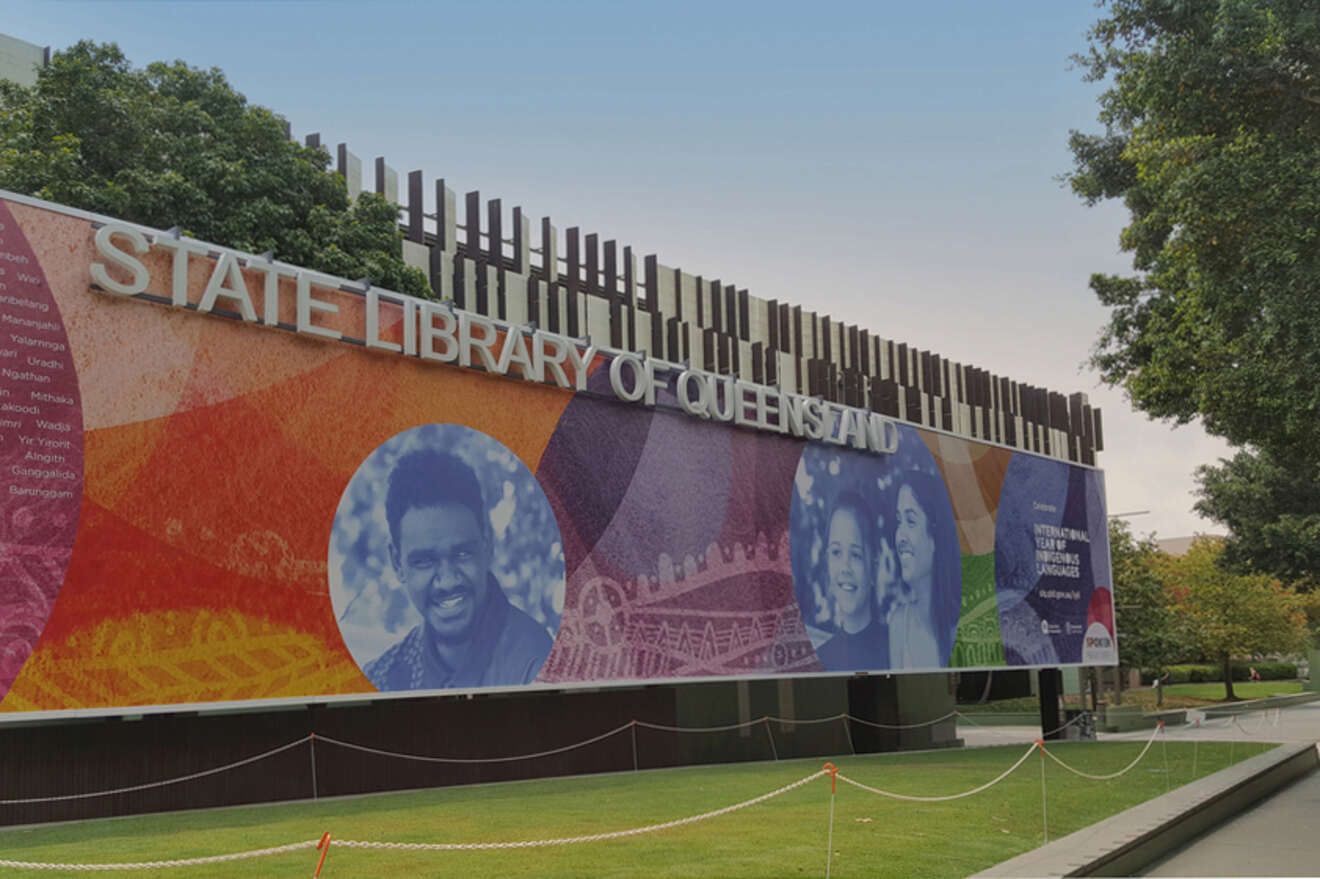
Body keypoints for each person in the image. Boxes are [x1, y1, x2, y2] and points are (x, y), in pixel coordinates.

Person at [363, 448, 553, 690]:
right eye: (424, 561)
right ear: (397, 563)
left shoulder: (538, 665)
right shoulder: (381, 676)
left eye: (462, 554)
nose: (448, 581)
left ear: (487, 545)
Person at [887, 471, 961, 669]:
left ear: (935, 537)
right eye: (898, 521)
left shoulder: (964, 623)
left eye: (910, 521)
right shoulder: (898, 625)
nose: (900, 536)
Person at [815, 491, 890, 671]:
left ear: (873, 568)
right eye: (836, 552)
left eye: (856, 555)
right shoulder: (819, 659)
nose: (845, 567)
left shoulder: (898, 649)